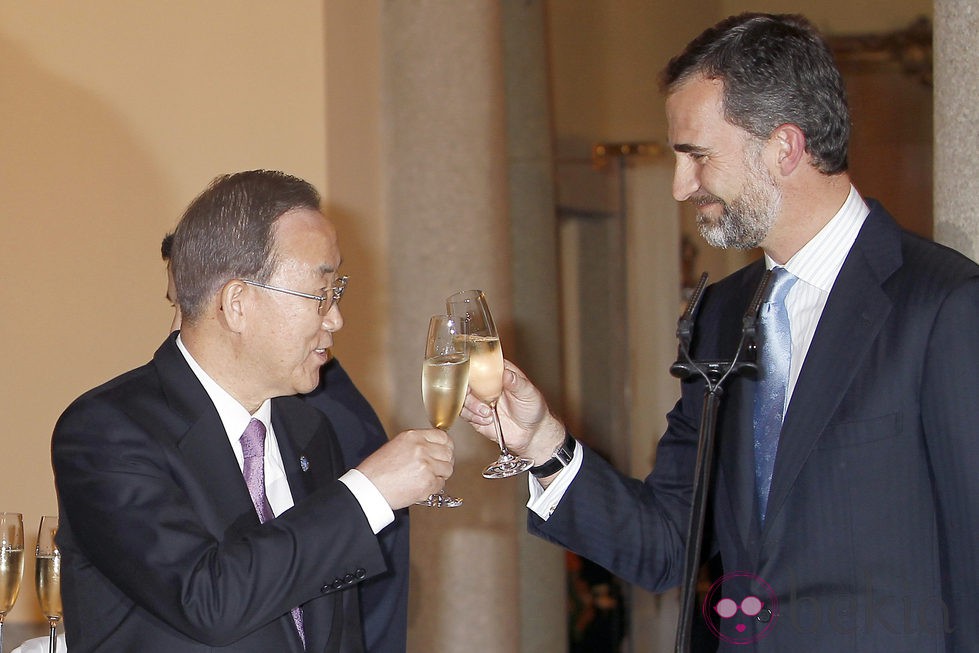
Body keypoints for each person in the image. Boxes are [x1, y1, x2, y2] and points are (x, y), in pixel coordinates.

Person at [462, 13, 979, 651]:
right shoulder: (720, 319)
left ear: (783, 148)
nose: (681, 187)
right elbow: (665, 544)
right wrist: (542, 443)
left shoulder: (944, 305)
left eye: (697, 157)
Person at [53, 170, 454, 652]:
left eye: (337, 292)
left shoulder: (308, 429)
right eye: (320, 293)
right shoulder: (107, 431)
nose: (336, 317)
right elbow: (206, 601)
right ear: (238, 304)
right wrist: (367, 494)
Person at [161, 232, 411, 653]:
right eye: (177, 307)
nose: (176, 332)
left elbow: (360, 604)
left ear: (237, 304)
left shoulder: (322, 422)